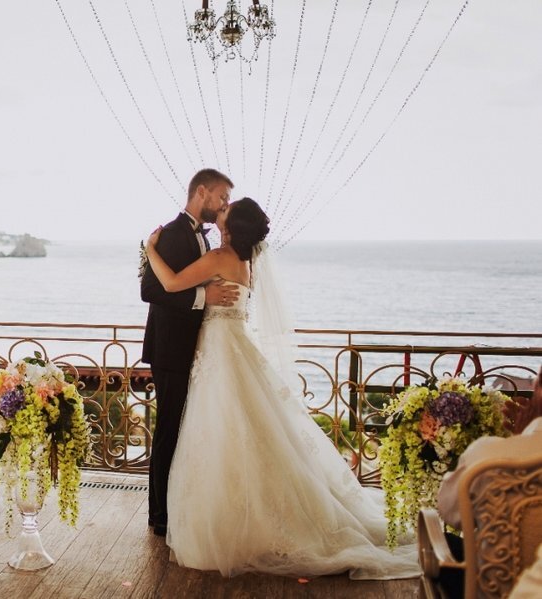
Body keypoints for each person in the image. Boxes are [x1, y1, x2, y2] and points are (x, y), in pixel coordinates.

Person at [145, 197, 419, 579]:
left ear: (231, 227)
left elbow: (171, 283)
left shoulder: (220, 257)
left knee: (223, 429)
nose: (221, 210)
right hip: (233, 345)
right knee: (245, 429)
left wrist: (150, 249)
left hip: (219, 350)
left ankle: (234, 523)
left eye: (226, 210)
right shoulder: (246, 261)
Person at [140, 168, 240, 537]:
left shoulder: (206, 238)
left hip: (196, 349)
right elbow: (150, 290)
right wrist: (202, 296)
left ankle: (177, 506)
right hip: (169, 348)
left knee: (184, 429)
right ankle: (159, 516)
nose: (224, 204)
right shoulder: (171, 233)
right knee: (168, 429)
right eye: (222, 196)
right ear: (201, 192)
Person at [434, 366, 542, 597]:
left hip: (490, 587)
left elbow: (451, 513)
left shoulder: (488, 454)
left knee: (443, 540)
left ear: (537, 388)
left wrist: (519, 440)